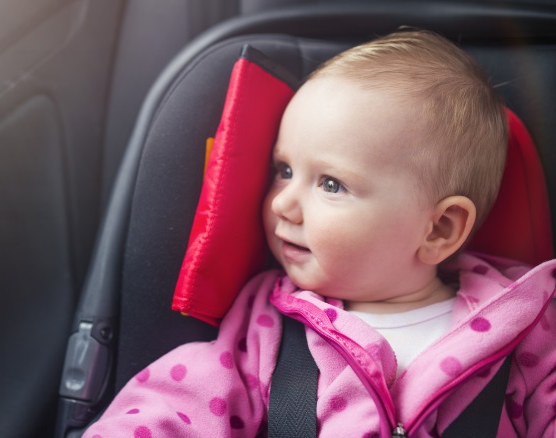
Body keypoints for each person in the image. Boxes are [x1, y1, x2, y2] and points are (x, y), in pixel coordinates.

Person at [84, 30, 556, 437]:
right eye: (283, 169)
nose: (280, 203)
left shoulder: (528, 329)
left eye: (331, 184)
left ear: (439, 228)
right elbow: (181, 405)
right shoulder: (267, 328)